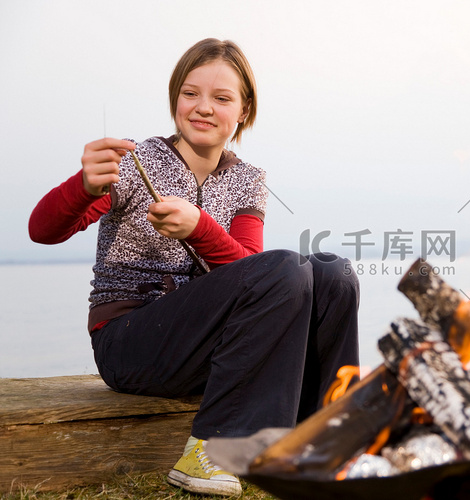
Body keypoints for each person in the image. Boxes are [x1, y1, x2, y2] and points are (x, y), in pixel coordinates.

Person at [29, 38, 360, 497]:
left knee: (332, 271)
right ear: (175, 100)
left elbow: (251, 266)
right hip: (130, 342)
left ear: (243, 111)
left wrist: (198, 227)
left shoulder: (246, 179)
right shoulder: (137, 163)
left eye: (222, 98)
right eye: (190, 94)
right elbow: (43, 231)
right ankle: (209, 453)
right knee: (285, 266)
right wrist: (84, 185)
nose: (203, 108)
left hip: (210, 344)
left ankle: (326, 436)